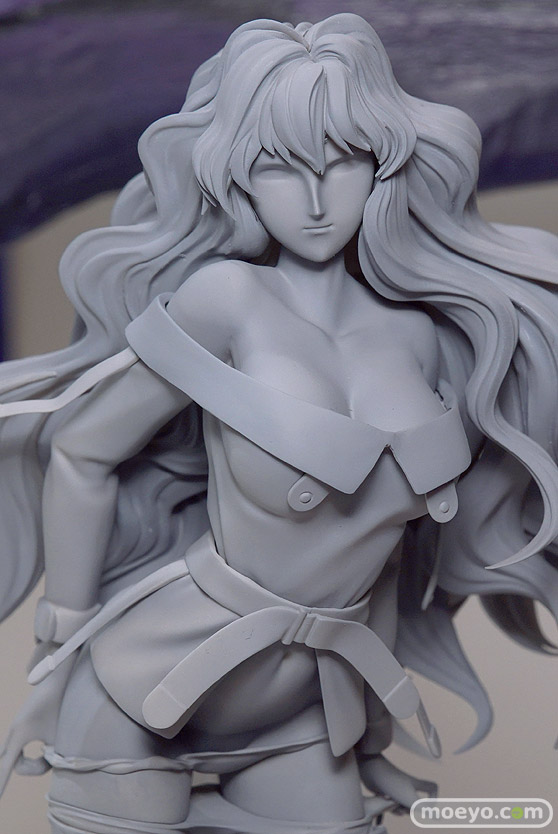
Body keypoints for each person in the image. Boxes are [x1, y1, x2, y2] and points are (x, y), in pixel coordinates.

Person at [1, 13, 558, 834]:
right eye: (279, 166)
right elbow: (83, 451)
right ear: (238, 179)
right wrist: (59, 649)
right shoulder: (225, 300)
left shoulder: (421, 337)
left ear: (383, 166)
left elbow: (385, 560)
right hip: (146, 685)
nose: (316, 199)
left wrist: (368, 730)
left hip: (305, 716)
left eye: (344, 160)